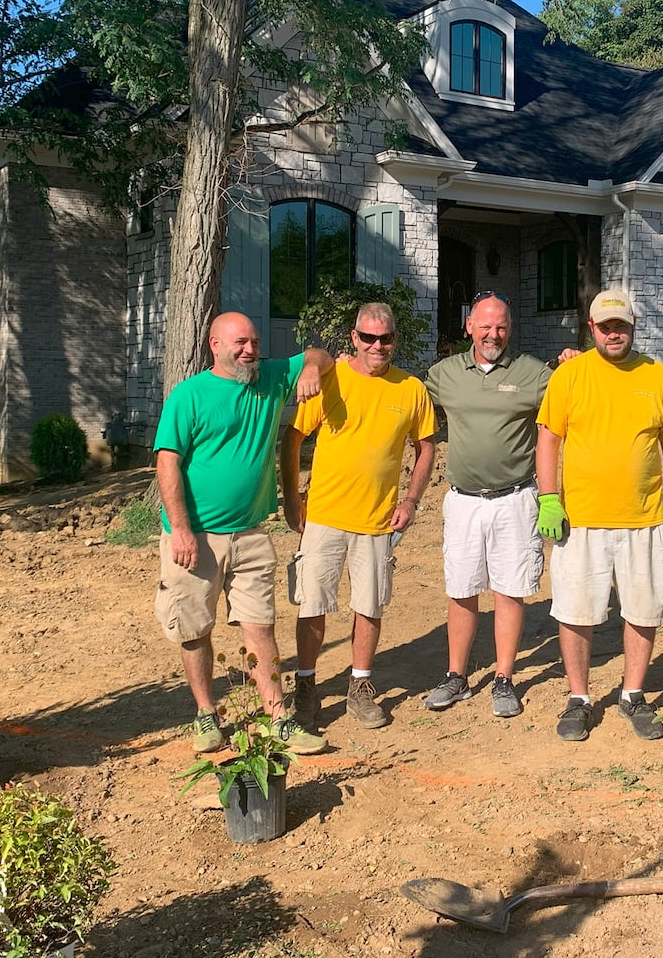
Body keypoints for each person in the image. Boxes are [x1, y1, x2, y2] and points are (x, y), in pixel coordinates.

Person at [154, 312, 333, 755]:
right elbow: (167, 463)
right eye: (239, 342)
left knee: (261, 627)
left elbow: (321, 355)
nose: (250, 350)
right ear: (214, 344)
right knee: (195, 629)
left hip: (251, 534)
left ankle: (279, 719)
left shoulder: (270, 378)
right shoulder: (189, 395)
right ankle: (204, 715)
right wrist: (180, 529)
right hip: (196, 536)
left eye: (254, 342)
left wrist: (310, 368)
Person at [535, 290, 663, 743]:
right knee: (576, 610)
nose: (613, 333)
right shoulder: (571, 375)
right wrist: (549, 497)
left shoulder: (656, 375)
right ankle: (579, 699)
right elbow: (548, 438)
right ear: (591, 328)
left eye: (620, 325)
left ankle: (633, 694)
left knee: (643, 609)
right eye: (605, 326)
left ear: (633, 325)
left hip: (643, 518)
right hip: (581, 519)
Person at [280, 302, 436, 730]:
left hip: (377, 520)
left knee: (369, 605)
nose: (376, 345)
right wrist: (293, 501)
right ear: (354, 338)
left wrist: (411, 501)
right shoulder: (333, 378)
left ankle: (360, 686)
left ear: (394, 340)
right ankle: (307, 687)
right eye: (368, 337)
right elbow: (292, 439)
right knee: (313, 604)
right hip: (325, 516)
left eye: (385, 338)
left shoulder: (411, 389)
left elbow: (426, 447)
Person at [422, 292, 567, 718]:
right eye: (485, 326)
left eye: (501, 326)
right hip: (464, 502)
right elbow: (400, 397)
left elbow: (571, 396)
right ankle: (456, 676)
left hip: (516, 499)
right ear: (469, 326)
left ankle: (504, 678)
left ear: (511, 328)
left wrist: (577, 362)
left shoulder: (533, 373)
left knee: (510, 589)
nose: (493, 334)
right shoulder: (444, 374)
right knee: (462, 589)